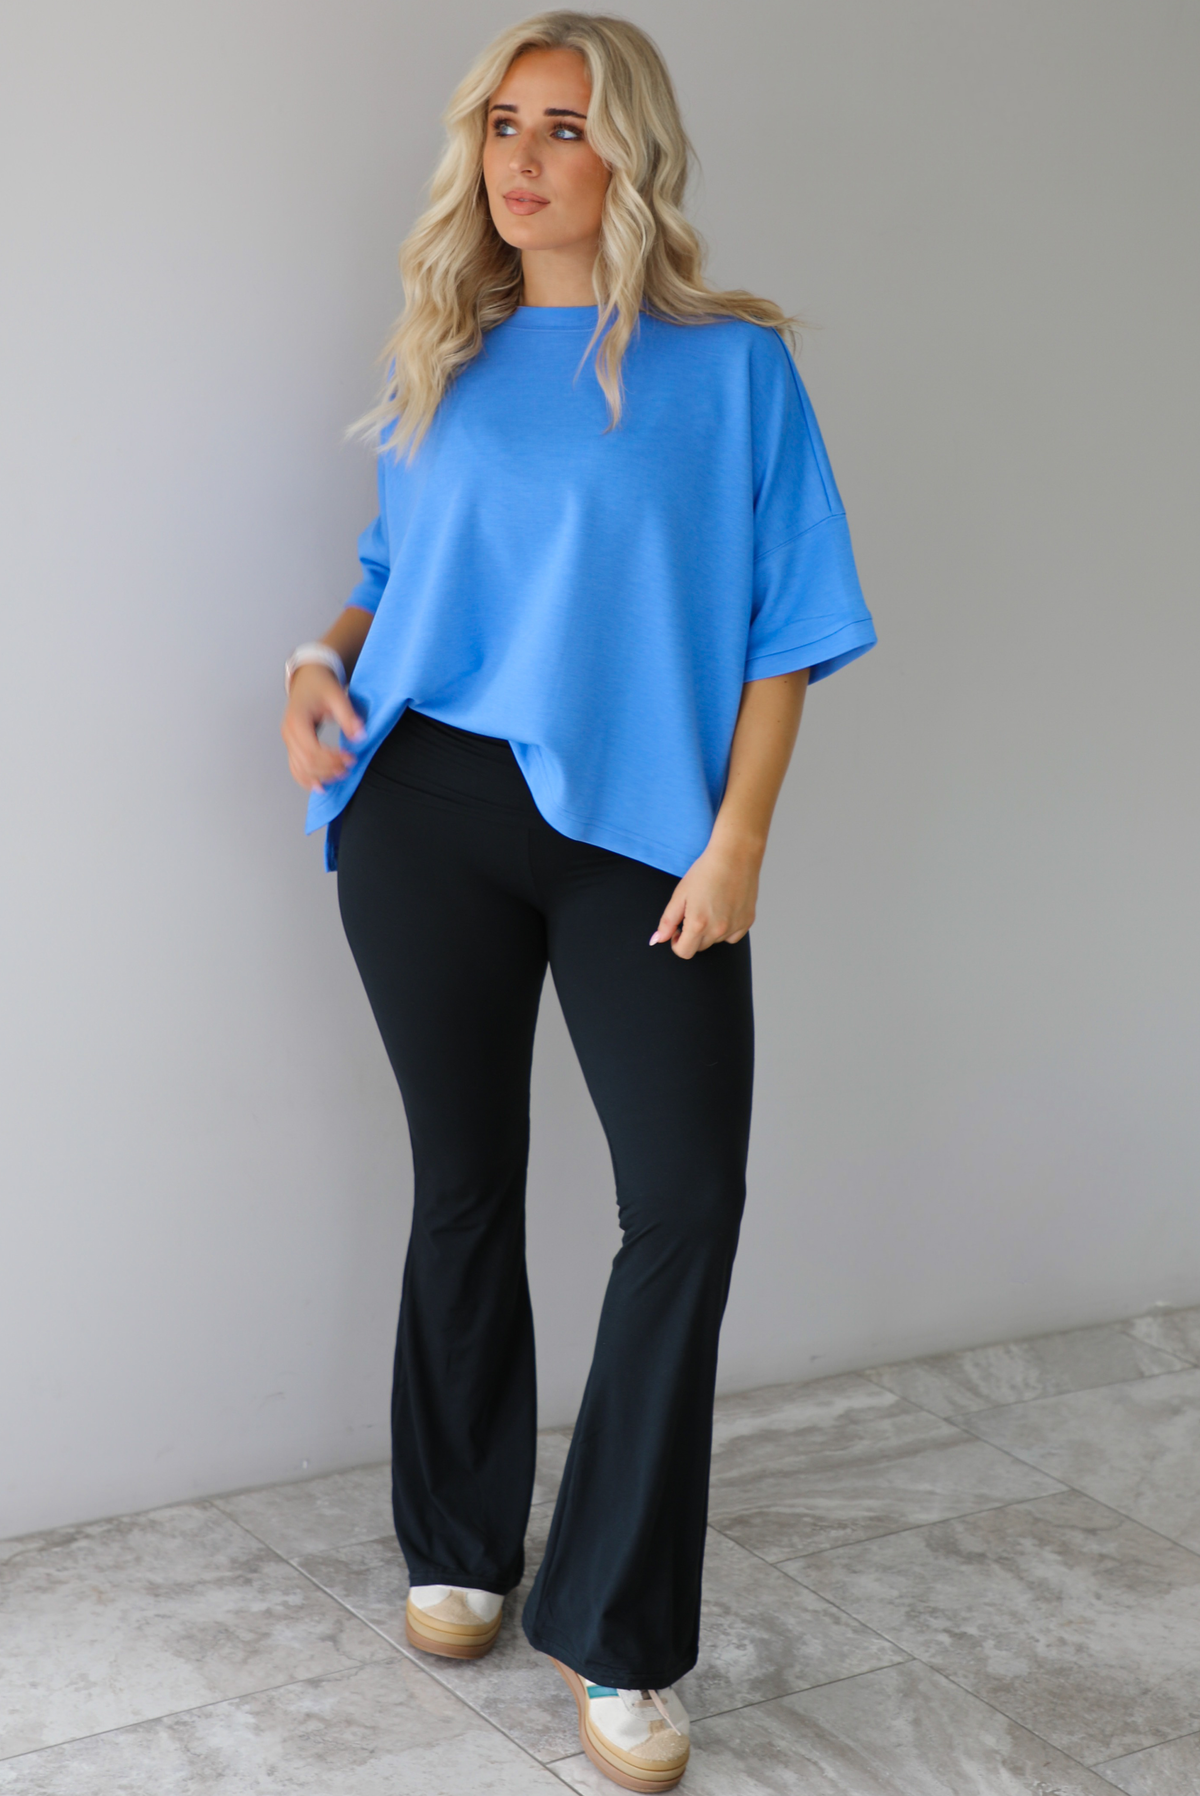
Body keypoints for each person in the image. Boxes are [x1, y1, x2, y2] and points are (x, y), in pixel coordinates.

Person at [281, 12, 875, 1790]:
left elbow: (789, 628)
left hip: (645, 835)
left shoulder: (735, 369)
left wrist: (742, 839)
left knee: (682, 1201)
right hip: (425, 810)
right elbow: (396, 577)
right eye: (503, 126)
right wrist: (316, 656)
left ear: (631, 157)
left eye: (565, 126)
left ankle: (618, 1632)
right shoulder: (444, 357)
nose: (523, 158)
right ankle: (461, 1538)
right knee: (466, 1183)